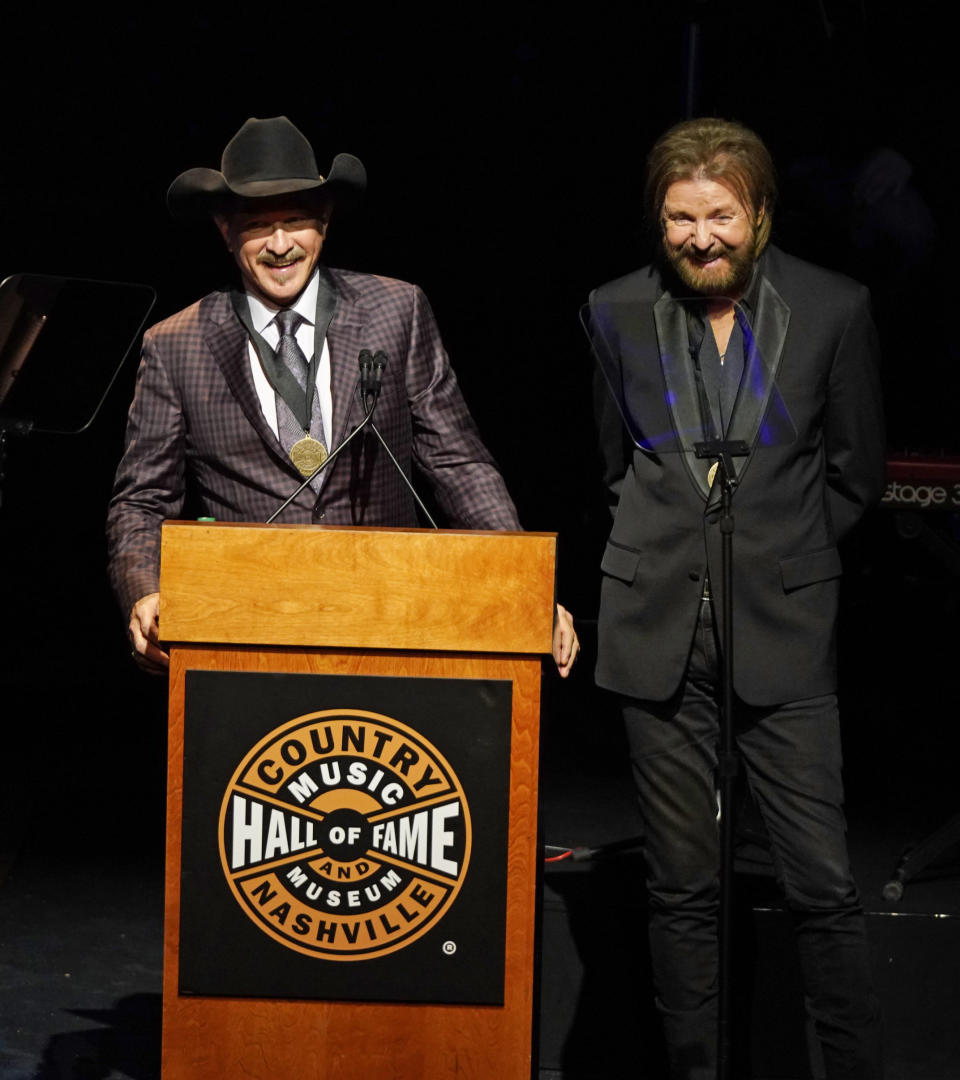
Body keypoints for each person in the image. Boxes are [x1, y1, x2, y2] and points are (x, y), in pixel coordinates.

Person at [587, 118, 884, 1078]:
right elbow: (609, 469)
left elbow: (855, 472)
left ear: (758, 216)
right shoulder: (613, 311)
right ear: (657, 219)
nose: (700, 236)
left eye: (720, 215)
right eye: (680, 217)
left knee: (823, 887)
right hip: (656, 635)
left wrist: (775, 557)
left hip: (783, 632)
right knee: (680, 890)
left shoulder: (834, 307)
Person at [107, 116, 576, 675]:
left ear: (324, 222)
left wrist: (526, 585)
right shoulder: (176, 344)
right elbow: (142, 500)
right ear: (225, 230)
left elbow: (458, 462)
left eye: (296, 221)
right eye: (259, 225)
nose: (280, 245)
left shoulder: (395, 312)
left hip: (391, 618)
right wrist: (144, 592)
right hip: (248, 630)